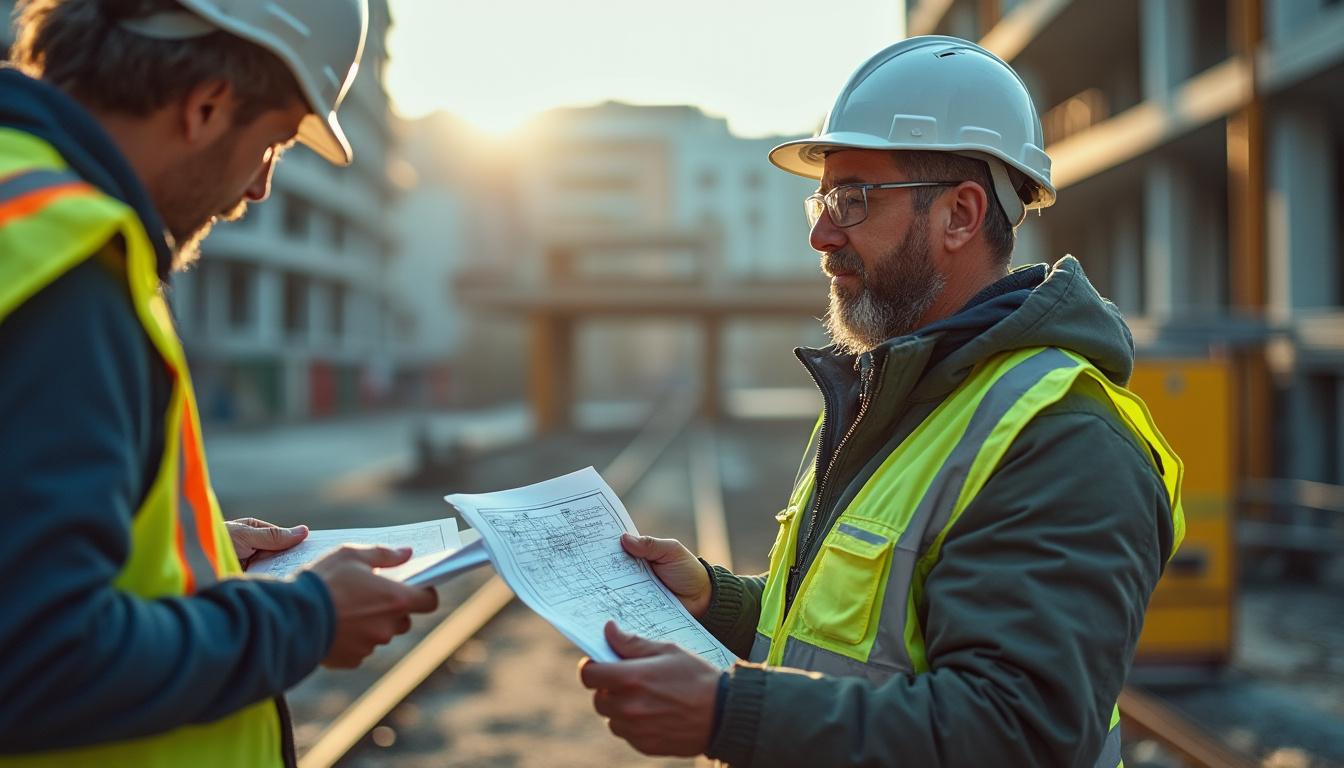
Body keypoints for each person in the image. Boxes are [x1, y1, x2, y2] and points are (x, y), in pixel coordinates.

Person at [579, 35, 1185, 767]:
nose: (820, 233)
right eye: (823, 196)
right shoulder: (893, 395)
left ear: (960, 216)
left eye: (853, 198)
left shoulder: (1062, 438)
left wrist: (730, 713)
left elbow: (1018, 733)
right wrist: (719, 600)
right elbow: (857, 638)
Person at [0, 1, 438, 765]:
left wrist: (188, 554)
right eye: (272, 142)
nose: (261, 187)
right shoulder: (67, 268)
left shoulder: (22, 214)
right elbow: (37, 659)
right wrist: (306, 620)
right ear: (206, 107)